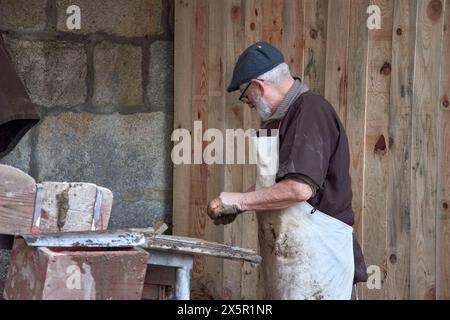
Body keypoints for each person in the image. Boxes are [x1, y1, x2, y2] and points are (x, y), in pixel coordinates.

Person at [207, 41, 367, 299]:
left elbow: (298, 188)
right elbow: (276, 184)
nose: (247, 103)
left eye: (245, 95)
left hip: (320, 260)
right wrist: (235, 204)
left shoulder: (311, 111)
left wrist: (240, 201)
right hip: (292, 263)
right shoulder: (279, 120)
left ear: (258, 86)